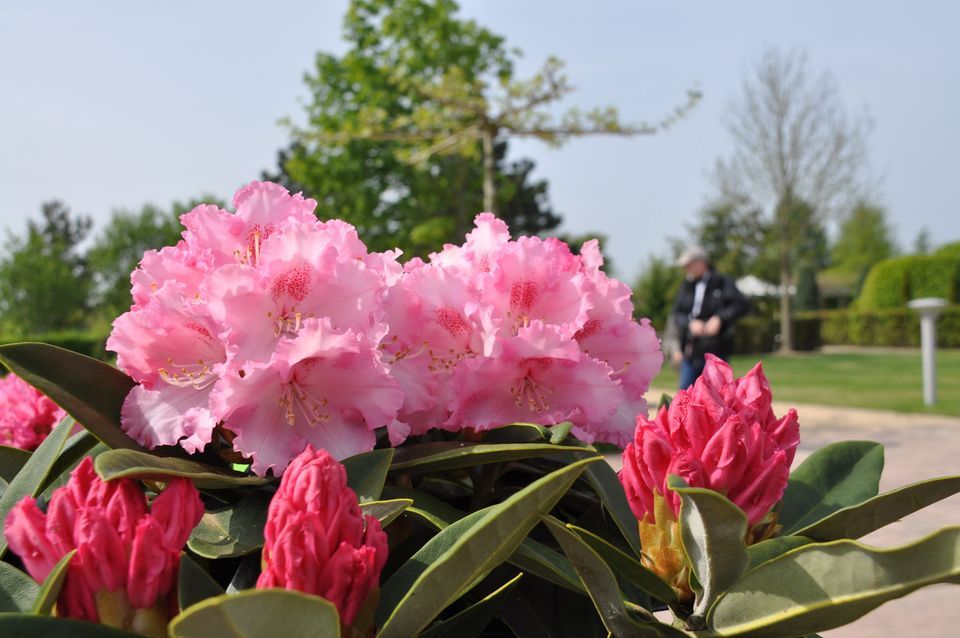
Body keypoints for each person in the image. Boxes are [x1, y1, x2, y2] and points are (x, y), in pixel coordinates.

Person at [671, 246, 749, 389]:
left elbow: (741, 306)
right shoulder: (686, 286)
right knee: (684, 395)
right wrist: (690, 323)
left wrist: (720, 318)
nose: (685, 269)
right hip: (691, 351)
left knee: (718, 394)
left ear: (701, 263)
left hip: (716, 352)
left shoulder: (722, 282)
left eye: (688, 265)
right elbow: (677, 314)